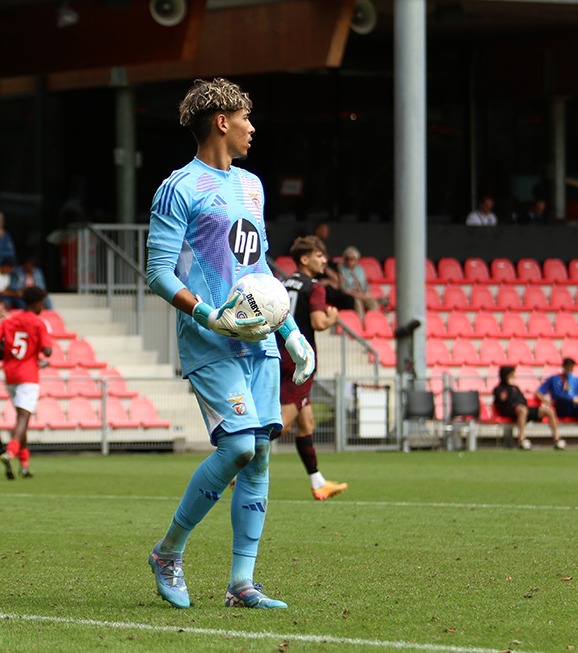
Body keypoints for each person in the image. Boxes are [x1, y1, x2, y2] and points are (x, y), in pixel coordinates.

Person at [143, 78, 315, 610]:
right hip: (209, 339)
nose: (252, 127)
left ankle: (242, 585)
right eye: (246, 117)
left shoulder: (253, 186)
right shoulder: (179, 187)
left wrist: (290, 333)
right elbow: (157, 272)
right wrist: (208, 316)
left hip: (259, 341)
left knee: (260, 455)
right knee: (239, 445)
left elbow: (258, 268)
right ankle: (168, 551)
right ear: (222, 121)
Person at [274, 236, 346, 499]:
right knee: (282, 423)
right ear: (304, 259)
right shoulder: (314, 287)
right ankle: (236, 464)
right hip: (301, 360)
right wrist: (332, 317)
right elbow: (317, 322)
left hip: (280, 353)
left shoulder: (283, 284)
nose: (325, 260)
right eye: (319, 256)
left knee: (307, 423)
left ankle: (318, 483)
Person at [0, 286, 52, 479]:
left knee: (20, 420)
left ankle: (24, 465)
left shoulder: (10, 320)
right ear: (36, 303)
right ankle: (10, 452)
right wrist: (42, 358)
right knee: (23, 419)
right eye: (41, 303)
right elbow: (48, 351)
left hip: (10, 375)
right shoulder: (38, 323)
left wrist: (4, 354)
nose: (42, 307)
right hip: (28, 376)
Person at [492, 365, 560, 449]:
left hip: (523, 409)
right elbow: (506, 401)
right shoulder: (499, 389)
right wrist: (510, 387)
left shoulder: (516, 388)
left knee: (549, 411)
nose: (513, 377)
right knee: (522, 410)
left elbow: (523, 401)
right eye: (512, 375)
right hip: (511, 411)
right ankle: (521, 439)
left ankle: (557, 439)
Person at [536, 358, 578, 450]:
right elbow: (538, 392)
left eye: (571, 368)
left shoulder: (577, 381)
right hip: (560, 407)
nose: (569, 370)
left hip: (574, 407)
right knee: (562, 397)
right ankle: (557, 439)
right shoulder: (554, 379)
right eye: (568, 367)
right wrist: (546, 401)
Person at [337, 246, 379, 320]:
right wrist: (356, 295)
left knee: (373, 303)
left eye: (352, 259)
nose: (350, 261)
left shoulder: (360, 270)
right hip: (351, 295)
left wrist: (366, 293)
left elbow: (366, 284)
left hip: (362, 294)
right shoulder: (342, 271)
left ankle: (372, 323)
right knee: (358, 304)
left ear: (356, 260)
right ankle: (360, 325)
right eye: (347, 259)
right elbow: (343, 288)